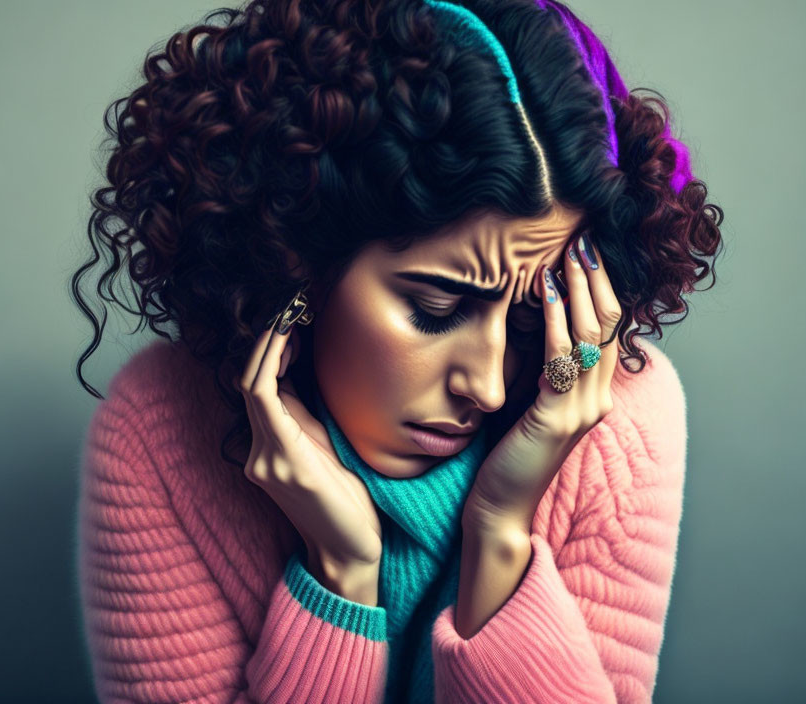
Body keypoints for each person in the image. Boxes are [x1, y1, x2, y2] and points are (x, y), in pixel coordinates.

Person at [71, 0, 723, 702]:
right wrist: (339, 578)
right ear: (298, 267)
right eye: (436, 310)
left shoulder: (614, 420)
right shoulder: (161, 431)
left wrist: (500, 536)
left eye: (533, 320)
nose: (491, 387)